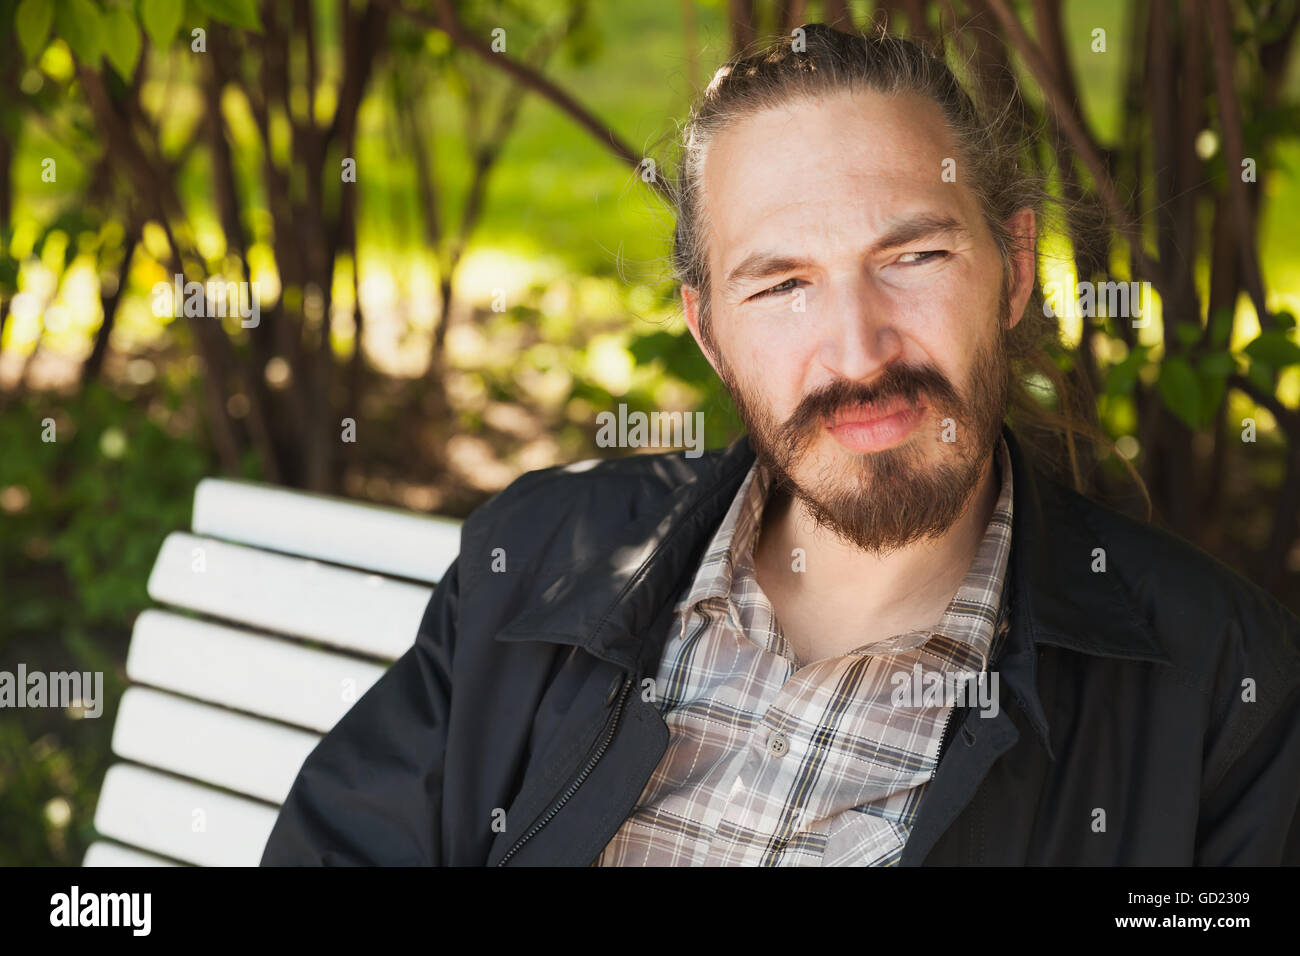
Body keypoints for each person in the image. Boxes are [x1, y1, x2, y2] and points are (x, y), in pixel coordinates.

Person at [261, 24, 1300, 866]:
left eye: (915, 254)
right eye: (781, 283)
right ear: (709, 328)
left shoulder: (1218, 690)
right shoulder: (537, 558)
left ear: (1014, 267)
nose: (857, 350)